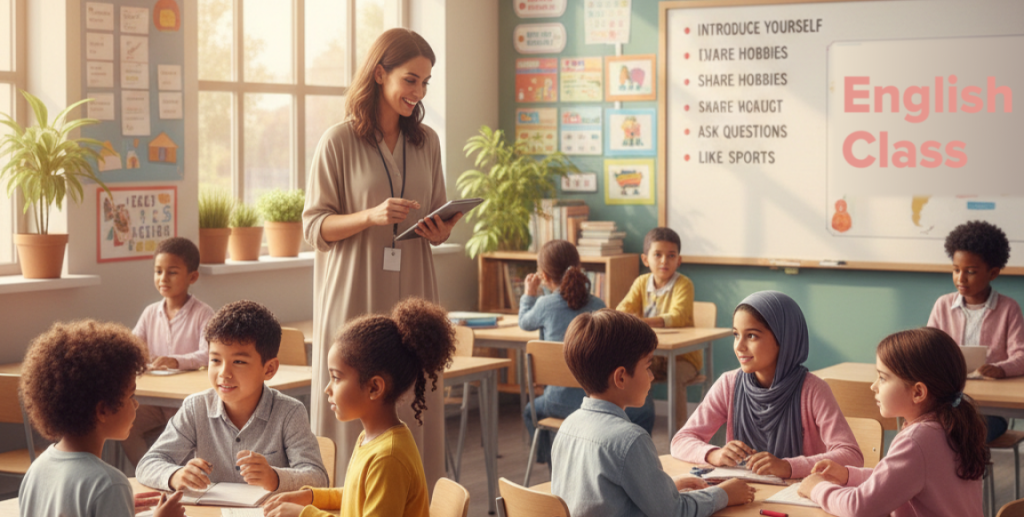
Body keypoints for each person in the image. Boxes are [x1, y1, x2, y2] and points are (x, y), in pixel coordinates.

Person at [303, 27, 460, 487]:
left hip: (414, 289)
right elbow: (314, 228)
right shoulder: (337, 141)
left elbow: (438, 212)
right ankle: (343, 500)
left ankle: (415, 501)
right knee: (353, 392)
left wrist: (441, 231)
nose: (419, 92)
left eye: (425, 83)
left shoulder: (427, 141)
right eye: (410, 80)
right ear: (379, 74)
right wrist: (369, 216)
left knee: (415, 393)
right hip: (355, 290)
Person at [261, 298, 456, 517]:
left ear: (374, 387)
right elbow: (355, 494)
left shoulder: (388, 457)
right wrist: (310, 497)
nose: (327, 388)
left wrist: (303, 514)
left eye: (336, 377)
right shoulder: (371, 438)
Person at [551, 309, 755, 517]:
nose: (651, 376)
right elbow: (674, 512)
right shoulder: (630, 439)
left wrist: (667, 487)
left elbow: (607, 496)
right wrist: (724, 494)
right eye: (648, 366)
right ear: (621, 377)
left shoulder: (568, 426)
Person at [136, 301, 328, 493]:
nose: (224, 373)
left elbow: (318, 477)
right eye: (215, 360)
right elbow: (148, 463)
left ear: (269, 369)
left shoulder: (289, 413)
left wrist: (274, 477)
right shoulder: (196, 408)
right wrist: (175, 475)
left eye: (238, 362)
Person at [671, 291, 863, 478]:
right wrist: (714, 454)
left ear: (784, 339)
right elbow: (680, 440)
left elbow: (851, 455)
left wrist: (788, 466)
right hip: (743, 491)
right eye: (736, 335)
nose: (739, 346)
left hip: (798, 492)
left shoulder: (812, 390)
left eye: (751, 336)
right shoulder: (729, 384)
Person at [799, 328, 987, 517]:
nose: (874, 386)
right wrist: (848, 475)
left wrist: (816, 488)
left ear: (918, 392)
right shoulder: (948, 425)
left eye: (882, 378)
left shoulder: (917, 440)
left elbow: (859, 507)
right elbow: (901, 479)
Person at [18, 320, 185, 517]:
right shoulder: (109, 484)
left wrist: (116, 508)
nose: (136, 404)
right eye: (131, 396)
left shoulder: (37, 469)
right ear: (103, 410)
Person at [519, 240, 654, 468]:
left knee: (529, 411)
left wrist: (529, 294)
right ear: (579, 267)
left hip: (557, 402)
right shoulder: (598, 304)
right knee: (645, 409)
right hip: (599, 396)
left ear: (544, 276)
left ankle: (555, 464)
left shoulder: (544, 305)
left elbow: (524, 322)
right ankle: (637, 464)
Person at [927, 220, 1024, 442]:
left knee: (964, 436)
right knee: (932, 432)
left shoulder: (1008, 308)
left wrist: (1001, 369)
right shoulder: (943, 305)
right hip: (949, 403)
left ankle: (966, 466)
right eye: (956, 270)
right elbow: (928, 350)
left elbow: (1021, 355)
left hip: (991, 409)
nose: (960, 278)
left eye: (970, 271)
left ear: (993, 273)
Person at [125, 236, 215, 465]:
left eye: (172, 272)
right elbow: (132, 347)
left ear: (192, 277)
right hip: (155, 401)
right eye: (158, 271)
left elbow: (209, 354)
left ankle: (173, 475)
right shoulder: (150, 313)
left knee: (187, 441)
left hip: (187, 404)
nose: (163, 278)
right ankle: (147, 473)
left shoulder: (203, 314)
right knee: (125, 421)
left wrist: (175, 361)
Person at [617, 227, 700, 429]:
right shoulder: (641, 282)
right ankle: (634, 427)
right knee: (630, 370)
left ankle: (680, 434)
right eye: (658, 255)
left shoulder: (684, 284)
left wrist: (642, 321)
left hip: (683, 358)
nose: (664, 261)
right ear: (645, 260)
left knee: (675, 376)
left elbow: (678, 316)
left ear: (679, 260)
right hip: (652, 356)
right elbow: (622, 310)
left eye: (671, 255)